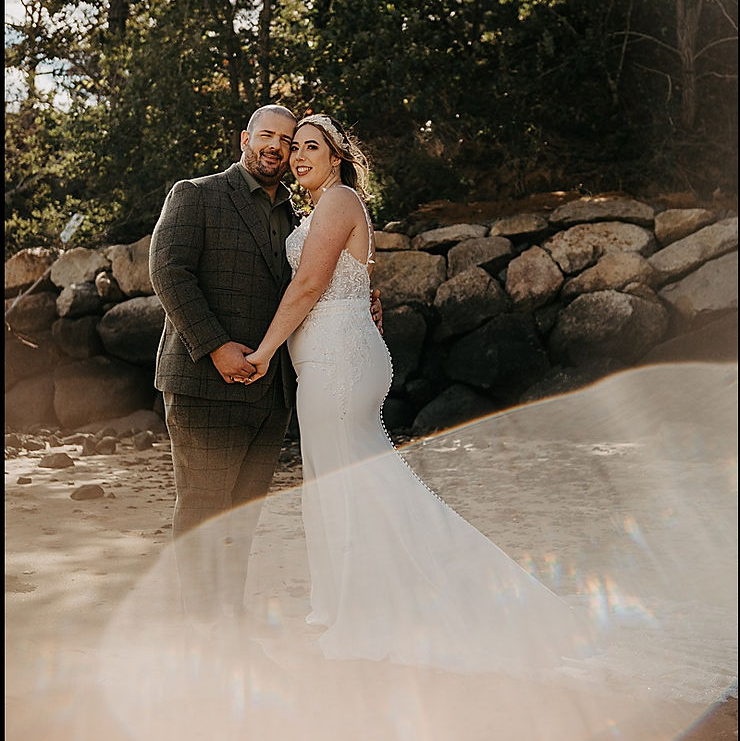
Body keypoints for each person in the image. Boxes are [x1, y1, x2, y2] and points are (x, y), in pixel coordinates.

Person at [242, 114, 592, 672]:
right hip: (333, 355)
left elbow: (309, 283)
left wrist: (261, 352)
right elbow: (347, 278)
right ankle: (341, 604)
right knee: (343, 482)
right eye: (294, 147)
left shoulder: (338, 202)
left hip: (337, 361)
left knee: (349, 484)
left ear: (337, 157)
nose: (299, 155)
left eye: (313, 147)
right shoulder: (325, 208)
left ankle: (370, 610)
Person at [150, 104, 381, 625]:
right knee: (204, 508)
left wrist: (366, 295)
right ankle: (201, 631)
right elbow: (169, 273)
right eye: (270, 136)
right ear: (244, 139)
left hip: (270, 390)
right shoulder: (198, 194)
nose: (279, 147)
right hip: (204, 383)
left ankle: (228, 622)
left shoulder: (300, 218)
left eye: (291, 140)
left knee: (243, 515)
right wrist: (215, 346)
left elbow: (317, 281)